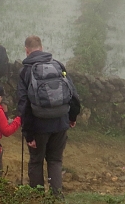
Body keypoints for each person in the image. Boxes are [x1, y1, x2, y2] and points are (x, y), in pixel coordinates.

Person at [17, 35, 80, 197]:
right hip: (60, 123)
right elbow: (73, 95)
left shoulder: (26, 71)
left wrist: (28, 134)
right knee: (55, 160)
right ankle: (56, 197)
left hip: (38, 126)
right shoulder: (58, 66)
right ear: (41, 48)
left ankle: (37, 198)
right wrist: (71, 117)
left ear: (27, 50)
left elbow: (24, 106)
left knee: (36, 161)